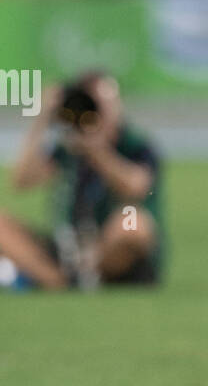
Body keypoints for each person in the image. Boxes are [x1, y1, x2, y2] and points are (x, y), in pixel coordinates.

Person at [0, 71, 163, 290]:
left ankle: (84, 275)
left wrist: (97, 152)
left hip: (112, 252)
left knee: (134, 225)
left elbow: (135, 187)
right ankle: (57, 281)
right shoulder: (68, 148)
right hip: (68, 248)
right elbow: (21, 180)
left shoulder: (134, 145)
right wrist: (42, 119)